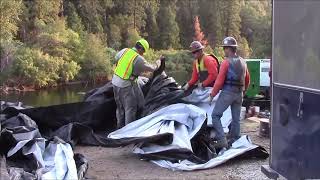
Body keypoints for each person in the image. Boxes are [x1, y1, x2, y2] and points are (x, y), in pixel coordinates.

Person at [208, 37, 250, 148]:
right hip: (239, 93)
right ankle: (235, 139)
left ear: (228, 49)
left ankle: (222, 140)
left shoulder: (226, 63)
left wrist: (212, 95)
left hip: (228, 92)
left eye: (224, 48)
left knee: (215, 115)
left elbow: (219, 81)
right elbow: (247, 79)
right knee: (236, 118)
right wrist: (243, 91)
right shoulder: (243, 61)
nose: (224, 51)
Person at [112, 39, 161, 129]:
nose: (143, 54)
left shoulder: (125, 50)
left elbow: (116, 58)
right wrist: (158, 63)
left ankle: (119, 128)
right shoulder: (138, 59)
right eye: (143, 52)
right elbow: (153, 68)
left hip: (114, 82)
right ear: (141, 49)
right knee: (130, 108)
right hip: (125, 85)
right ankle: (128, 132)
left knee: (120, 107)